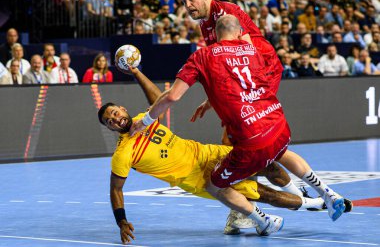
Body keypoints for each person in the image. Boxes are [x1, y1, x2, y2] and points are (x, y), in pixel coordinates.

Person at [130, 15, 348, 230]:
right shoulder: (251, 48)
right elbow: (241, 80)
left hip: (251, 140)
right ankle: (327, 193)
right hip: (279, 126)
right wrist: (211, 101)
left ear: (214, 34)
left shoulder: (202, 56)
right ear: (240, 33)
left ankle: (264, 222)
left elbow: (172, 96)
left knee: (214, 185)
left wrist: (146, 121)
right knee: (281, 153)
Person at [99, 65, 328, 244]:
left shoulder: (143, 120)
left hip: (208, 152)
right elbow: (116, 189)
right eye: (109, 121)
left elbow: (158, 98)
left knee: (266, 163)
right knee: (264, 194)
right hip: (198, 178)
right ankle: (316, 204)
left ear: (123, 109)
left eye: (115, 112)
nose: (115, 119)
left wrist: (136, 72)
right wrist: (121, 221)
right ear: (110, 128)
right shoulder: (123, 153)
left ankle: (297, 196)